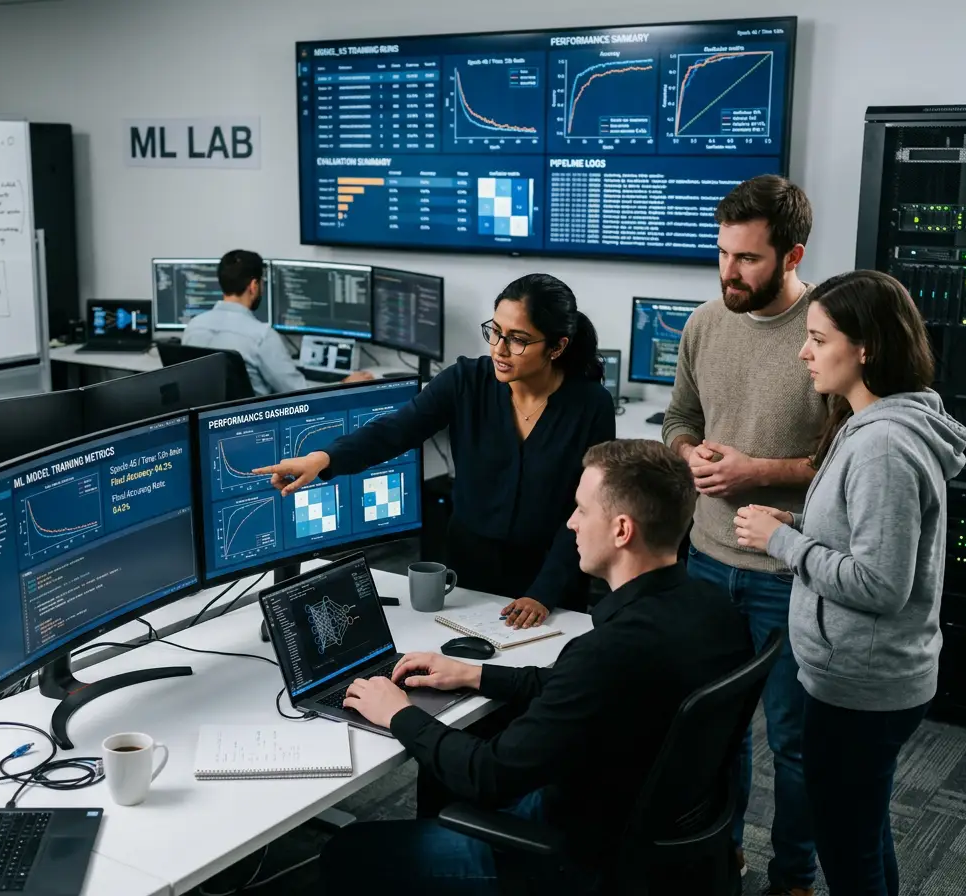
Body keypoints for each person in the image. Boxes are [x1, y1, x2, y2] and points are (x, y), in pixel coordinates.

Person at [319, 439, 753, 894]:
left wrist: (397, 713)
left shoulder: (609, 652)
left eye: (582, 510)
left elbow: (488, 774)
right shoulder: (715, 611)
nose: (571, 523)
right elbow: (582, 688)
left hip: (573, 856)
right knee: (443, 773)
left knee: (347, 851)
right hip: (651, 826)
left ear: (622, 530)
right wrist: (474, 675)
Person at [734, 271, 966, 896]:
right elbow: (865, 536)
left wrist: (780, 542)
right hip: (867, 679)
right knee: (862, 835)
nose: (804, 352)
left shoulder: (883, 446)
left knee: (848, 854)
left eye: (817, 338)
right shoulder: (873, 425)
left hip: (862, 688)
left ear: (864, 346)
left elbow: (879, 584)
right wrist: (799, 522)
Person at [258, 272, 614, 626]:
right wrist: (323, 458)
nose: (499, 350)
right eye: (496, 332)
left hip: (552, 579)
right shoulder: (466, 381)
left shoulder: (590, 405)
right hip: (471, 572)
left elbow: (588, 509)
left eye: (518, 340)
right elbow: (395, 430)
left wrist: (544, 593)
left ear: (557, 347)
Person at [661, 174, 826, 895]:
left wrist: (759, 471)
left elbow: (849, 460)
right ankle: (719, 855)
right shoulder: (704, 323)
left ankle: (792, 879)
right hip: (705, 563)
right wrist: (687, 452)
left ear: (790, 256)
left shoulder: (831, 332)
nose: (729, 272)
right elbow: (678, 419)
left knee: (793, 744)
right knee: (710, 731)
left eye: (747, 259)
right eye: (723, 254)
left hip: (787, 574)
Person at [180, 249, 372, 396]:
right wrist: (344, 385)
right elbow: (299, 393)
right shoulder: (261, 336)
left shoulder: (193, 327)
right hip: (256, 428)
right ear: (254, 286)